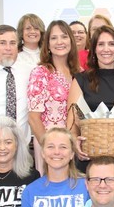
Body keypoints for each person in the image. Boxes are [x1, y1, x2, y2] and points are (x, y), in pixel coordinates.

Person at [68, 25, 114, 162]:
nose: (106, 49)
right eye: (101, 44)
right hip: (88, 157)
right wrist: (74, 141)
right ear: (94, 49)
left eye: (111, 44)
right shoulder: (80, 80)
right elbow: (71, 123)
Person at [27, 20, 80, 173]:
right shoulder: (41, 73)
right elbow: (33, 118)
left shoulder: (79, 73)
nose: (59, 42)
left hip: (73, 144)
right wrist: (48, 148)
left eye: (64, 37)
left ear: (71, 41)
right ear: (47, 44)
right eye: (54, 38)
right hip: (50, 144)